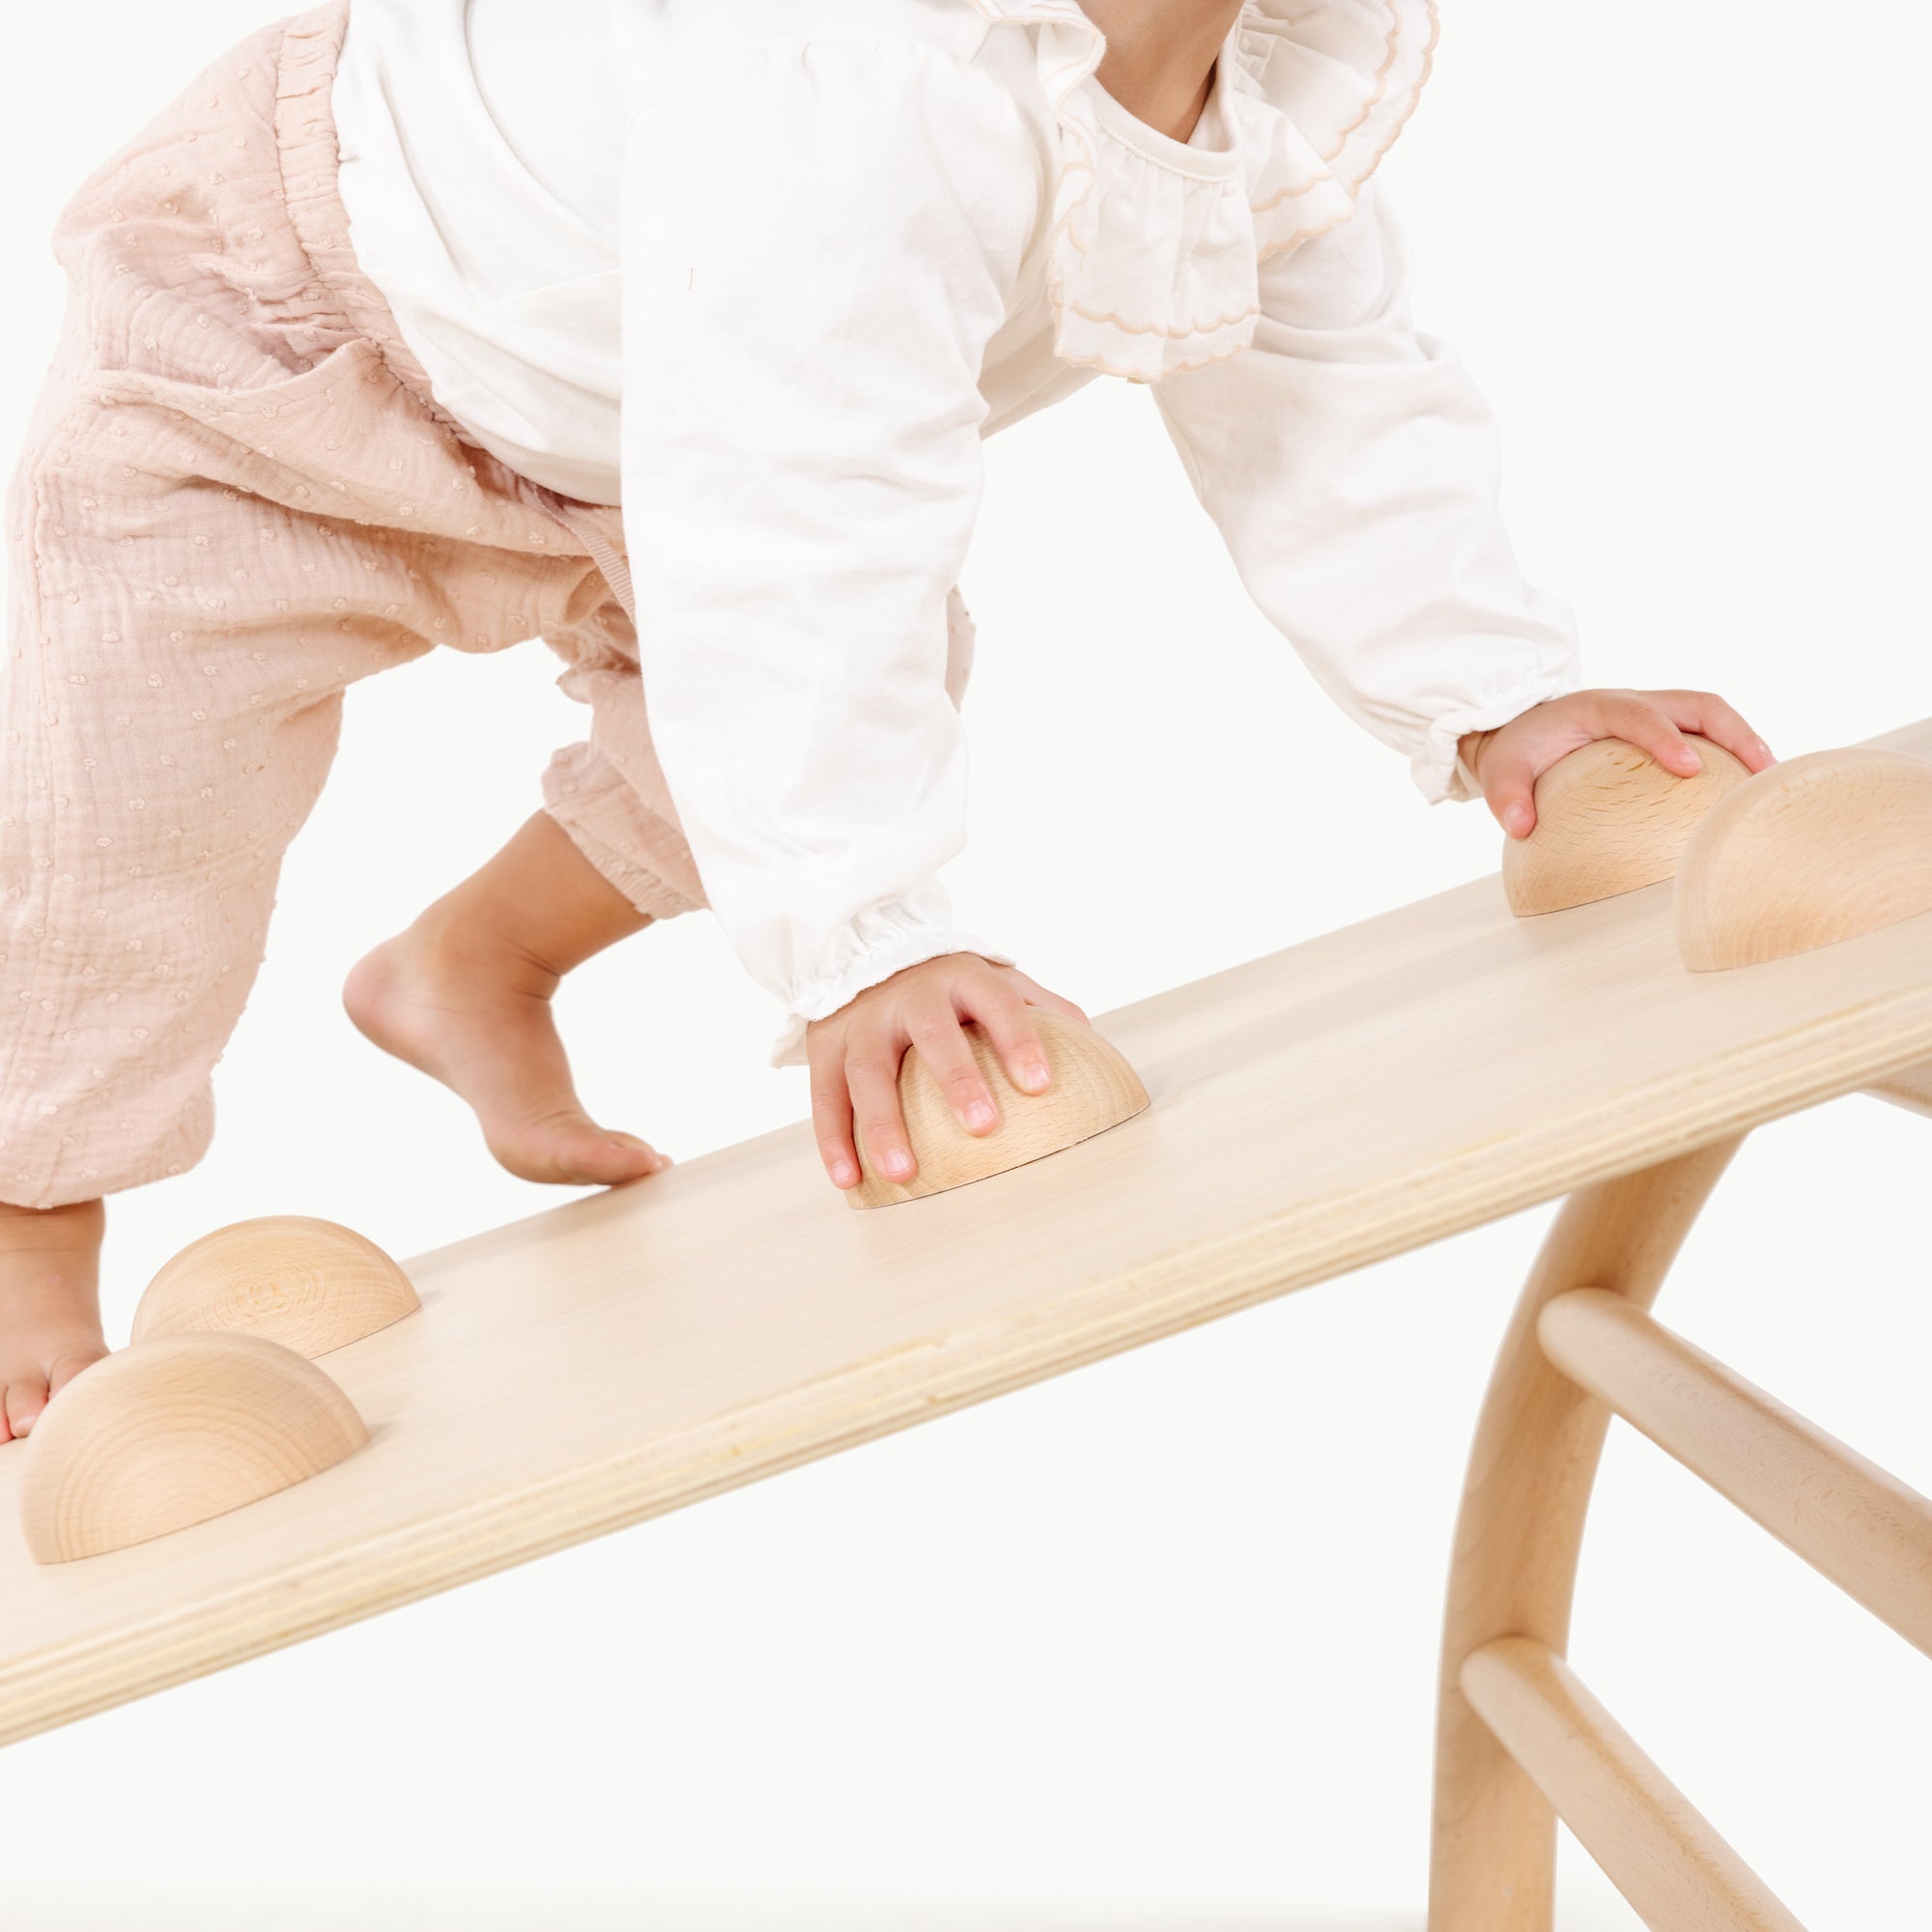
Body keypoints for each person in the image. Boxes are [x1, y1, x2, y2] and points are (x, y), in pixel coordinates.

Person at [0, 0, 1773, 1438]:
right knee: (129, 815)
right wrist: (864, 945)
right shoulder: (843, 61)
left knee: (858, 683)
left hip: (637, 408)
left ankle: (470, 959)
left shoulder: (1270, 62)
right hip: (284, 331)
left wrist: (1498, 694)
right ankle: (29, 1218)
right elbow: (801, 496)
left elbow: (1319, 378)